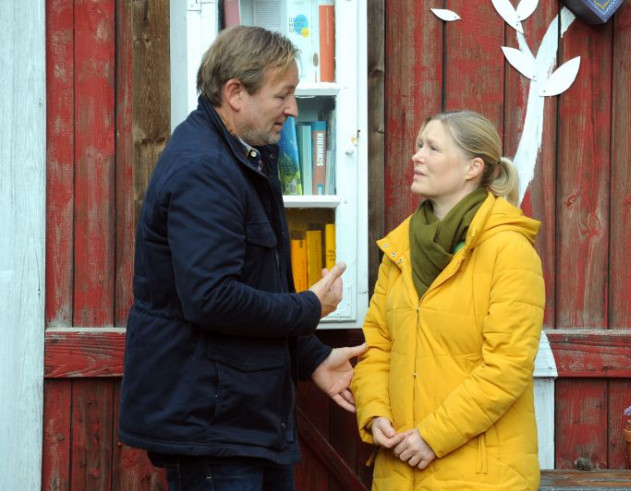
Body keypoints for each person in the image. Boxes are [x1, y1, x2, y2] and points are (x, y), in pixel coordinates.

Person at [118, 25, 365, 490]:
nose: (292, 109)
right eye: (282, 95)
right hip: (212, 424)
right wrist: (310, 307)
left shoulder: (241, 157)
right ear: (235, 93)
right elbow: (212, 298)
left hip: (235, 420)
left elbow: (256, 282)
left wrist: (311, 355)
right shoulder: (205, 169)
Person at [350, 110, 545, 490]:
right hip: (398, 471)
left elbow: (507, 366)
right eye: (419, 145)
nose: (417, 156)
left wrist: (432, 436)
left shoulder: (509, 250)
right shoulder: (400, 249)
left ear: (473, 167)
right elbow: (377, 345)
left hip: (481, 476)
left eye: (433, 148)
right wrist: (374, 412)